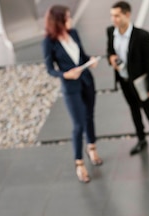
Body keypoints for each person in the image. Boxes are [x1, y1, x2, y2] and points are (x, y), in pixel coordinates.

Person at [43, 4, 102, 183]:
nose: (71, 20)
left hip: (86, 81)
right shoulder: (49, 42)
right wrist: (65, 74)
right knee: (78, 124)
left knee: (90, 116)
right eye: (67, 18)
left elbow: (81, 56)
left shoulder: (74, 33)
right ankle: (79, 163)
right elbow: (49, 69)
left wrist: (90, 60)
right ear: (58, 22)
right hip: (71, 88)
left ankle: (91, 147)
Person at [106, 1, 149, 169]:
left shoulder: (142, 36)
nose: (113, 19)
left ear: (127, 15)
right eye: (112, 16)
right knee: (134, 111)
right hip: (124, 82)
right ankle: (141, 140)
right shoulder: (110, 32)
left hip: (140, 84)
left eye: (117, 15)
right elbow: (109, 51)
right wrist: (111, 58)